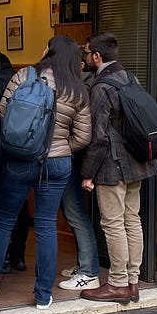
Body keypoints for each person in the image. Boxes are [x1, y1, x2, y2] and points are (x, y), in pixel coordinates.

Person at [0, 36, 91, 310]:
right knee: (47, 224)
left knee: (3, 221)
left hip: (19, 159)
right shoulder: (78, 89)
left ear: (48, 51)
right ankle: (43, 295)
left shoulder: (24, 75)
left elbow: (2, 113)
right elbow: (83, 137)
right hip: (57, 164)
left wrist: (25, 142)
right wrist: (60, 148)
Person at [78, 33, 157, 304]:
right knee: (131, 220)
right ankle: (133, 281)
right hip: (138, 162)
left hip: (113, 165)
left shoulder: (102, 87)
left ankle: (117, 283)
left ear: (97, 57)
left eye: (87, 52)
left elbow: (98, 135)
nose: (85, 56)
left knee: (113, 223)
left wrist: (88, 172)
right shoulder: (130, 78)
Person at [58, 46, 101, 293]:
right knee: (73, 212)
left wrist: (66, 149)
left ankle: (89, 271)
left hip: (74, 159)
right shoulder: (83, 85)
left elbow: (83, 134)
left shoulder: (78, 88)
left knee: (75, 213)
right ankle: (85, 266)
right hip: (75, 158)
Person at [0, 47, 30, 273]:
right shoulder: (20, 78)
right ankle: (18, 255)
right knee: (20, 205)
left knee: (2, 208)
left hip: (0, 150)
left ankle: (0, 261)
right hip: (22, 150)